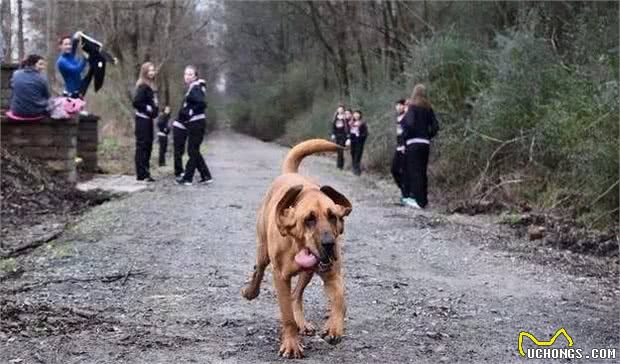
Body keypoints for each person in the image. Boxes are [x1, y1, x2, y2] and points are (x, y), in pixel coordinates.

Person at [401, 84, 439, 209]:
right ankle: (424, 200)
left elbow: (409, 124)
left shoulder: (412, 107)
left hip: (413, 143)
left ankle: (417, 200)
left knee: (414, 171)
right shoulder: (429, 108)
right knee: (422, 171)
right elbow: (435, 127)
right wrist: (427, 136)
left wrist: (406, 137)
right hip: (425, 143)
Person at [175, 65, 213, 186]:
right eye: (186, 74)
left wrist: (191, 112)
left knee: (192, 150)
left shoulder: (195, 87)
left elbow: (202, 103)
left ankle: (188, 178)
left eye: (191, 74)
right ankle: (206, 175)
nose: (187, 76)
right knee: (194, 151)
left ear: (195, 76)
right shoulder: (193, 88)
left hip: (197, 123)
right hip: (194, 123)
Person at [132, 62, 159, 182]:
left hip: (148, 120)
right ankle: (141, 173)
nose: (152, 72)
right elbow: (136, 102)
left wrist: (154, 110)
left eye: (153, 70)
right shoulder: (143, 86)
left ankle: (146, 172)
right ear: (145, 72)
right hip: (142, 120)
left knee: (148, 146)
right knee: (142, 146)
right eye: (150, 70)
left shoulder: (151, 86)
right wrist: (147, 108)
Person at [56, 34, 87, 98]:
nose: (68, 46)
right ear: (60, 46)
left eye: (70, 44)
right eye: (66, 44)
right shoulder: (61, 61)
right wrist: (85, 58)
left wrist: (76, 37)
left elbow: (74, 46)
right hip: (70, 95)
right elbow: (77, 70)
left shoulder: (70, 55)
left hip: (78, 93)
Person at [391, 99, 408, 204]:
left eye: (399, 105)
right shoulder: (398, 117)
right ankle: (404, 191)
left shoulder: (407, 116)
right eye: (396, 105)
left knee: (404, 171)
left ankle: (406, 195)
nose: (397, 107)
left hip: (406, 148)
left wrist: (405, 145)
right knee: (394, 170)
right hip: (399, 147)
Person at [330, 104, 350, 169]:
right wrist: (333, 134)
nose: (340, 110)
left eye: (341, 109)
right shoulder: (335, 117)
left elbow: (348, 127)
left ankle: (340, 165)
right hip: (337, 135)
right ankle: (339, 165)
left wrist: (348, 137)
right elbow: (333, 127)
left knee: (340, 149)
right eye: (339, 109)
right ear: (337, 110)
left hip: (343, 135)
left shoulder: (345, 118)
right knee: (338, 150)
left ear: (343, 110)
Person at [349, 110, 368, 176]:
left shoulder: (362, 123)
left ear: (360, 115)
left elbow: (365, 134)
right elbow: (349, 132)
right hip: (352, 141)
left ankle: (357, 171)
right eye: (355, 114)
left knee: (358, 155)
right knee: (352, 154)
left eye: (357, 114)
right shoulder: (351, 123)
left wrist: (359, 136)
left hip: (359, 142)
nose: (356, 115)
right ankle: (354, 168)